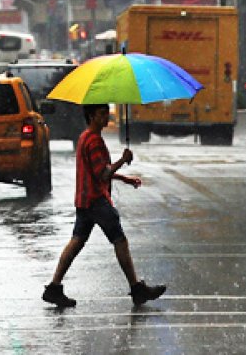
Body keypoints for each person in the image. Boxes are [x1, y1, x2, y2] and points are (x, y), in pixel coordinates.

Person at [43, 104, 166, 308]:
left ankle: (54, 287)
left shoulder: (84, 137)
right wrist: (123, 161)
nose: (106, 117)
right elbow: (103, 173)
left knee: (76, 242)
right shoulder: (94, 140)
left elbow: (97, 171)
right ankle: (136, 289)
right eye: (101, 114)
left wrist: (123, 178)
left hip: (84, 200)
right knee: (120, 240)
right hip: (96, 201)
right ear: (91, 116)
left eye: (106, 113)